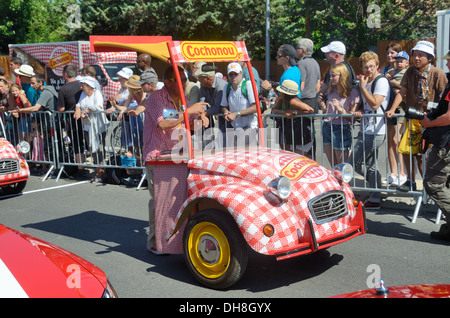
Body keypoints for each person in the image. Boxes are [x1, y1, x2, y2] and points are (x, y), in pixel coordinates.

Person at [143, 65, 208, 254]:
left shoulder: (183, 99)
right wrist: (189, 111)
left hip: (179, 155)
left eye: (185, 79)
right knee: (159, 201)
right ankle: (155, 241)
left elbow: (192, 125)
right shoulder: (155, 98)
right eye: (181, 79)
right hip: (158, 156)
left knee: (179, 200)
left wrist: (202, 118)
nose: (185, 83)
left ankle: (177, 239)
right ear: (169, 81)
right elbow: (163, 123)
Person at [387, 41, 448, 192]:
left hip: (431, 120)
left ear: (430, 58)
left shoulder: (437, 73)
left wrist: (437, 117)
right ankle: (410, 181)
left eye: (421, 55)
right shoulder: (409, 72)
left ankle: (429, 187)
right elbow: (402, 92)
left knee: (423, 155)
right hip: (413, 118)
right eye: (415, 55)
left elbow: (443, 97)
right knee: (405, 150)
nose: (417, 58)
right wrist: (392, 108)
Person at [350, 51, 390, 209]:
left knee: (354, 162)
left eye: (372, 66)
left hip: (376, 130)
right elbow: (366, 104)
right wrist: (359, 109)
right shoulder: (366, 82)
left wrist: (363, 87)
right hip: (366, 128)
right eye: (366, 67)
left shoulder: (381, 82)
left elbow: (374, 104)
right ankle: (375, 197)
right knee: (370, 165)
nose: (369, 70)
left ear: (377, 66)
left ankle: (376, 190)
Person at [420, 50, 450, 241]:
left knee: (433, 183)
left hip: (445, 143)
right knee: (445, 184)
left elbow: (449, 116)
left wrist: (429, 123)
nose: (447, 65)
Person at [318, 63, 360, 165]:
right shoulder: (331, 90)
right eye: (330, 76)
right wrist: (322, 104)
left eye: (333, 76)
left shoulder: (352, 92)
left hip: (341, 128)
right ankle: (336, 181)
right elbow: (326, 111)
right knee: (334, 165)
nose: (331, 79)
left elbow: (352, 118)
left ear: (342, 76)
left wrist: (340, 109)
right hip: (327, 126)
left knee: (342, 165)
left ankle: (343, 181)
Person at [74, 76, 110, 182]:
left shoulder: (96, 93)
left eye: (83, 86)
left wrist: (87, 111)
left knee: (99, 148)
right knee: (91, 147)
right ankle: (97, 168)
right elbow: (78, 105)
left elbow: (98, 107)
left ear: (90, 86)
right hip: (87, 125)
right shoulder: (83, 94)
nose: (81, 88)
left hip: (97, 125)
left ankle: (101, 170)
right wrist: (78, 111)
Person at [383, 51, 409, 186]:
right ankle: (394, 173)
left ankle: (402, 173)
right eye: (397, 60)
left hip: (400, 110)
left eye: (401, 61)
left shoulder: (407, 73)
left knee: (397, 141)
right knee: (391, 142)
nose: (398, 63)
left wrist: (392, 82)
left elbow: (405, 89)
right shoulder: (390, 71)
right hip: (391, 109)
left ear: (406, 63)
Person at [220, 62, 258, 146]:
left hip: (249, 125)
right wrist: (226, 112)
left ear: (241, 74)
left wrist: (236, 114)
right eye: (231, 74)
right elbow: (223, 106)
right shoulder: (227, 87)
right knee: (220, 144)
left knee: (245, 151)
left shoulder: (248, 85)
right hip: (234, 126)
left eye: (235, 74)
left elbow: (255, 107)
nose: (233, 77)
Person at [272, 79, 314, 154]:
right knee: (289, 156)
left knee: (296, 158)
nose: (279, 92)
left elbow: (310, 110)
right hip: (292, 134)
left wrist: (295, 113)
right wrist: (285, 112)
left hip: (302, 134)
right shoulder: (282, 99)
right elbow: (274, 110)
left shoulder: (293, 101)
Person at [296, 38, 321, 157]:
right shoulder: (315, 63)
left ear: (303, 51)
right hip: (312, 100)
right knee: (311, 133)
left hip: (304, 101)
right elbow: (318, 85)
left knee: (303, 136)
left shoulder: (301, 63)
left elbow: (301, 84)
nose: (296, 50)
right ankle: (312, 159)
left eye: (298, 48)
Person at [57, 65, 84, 177]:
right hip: (85, 117)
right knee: (83, 142)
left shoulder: (63, 89)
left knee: (76, 143)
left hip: (72, 119)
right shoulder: (82, 84)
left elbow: (61, 109)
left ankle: (80, 168)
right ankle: (93, 168)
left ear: (66, 75)